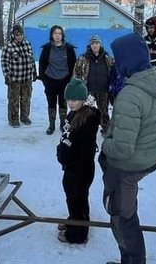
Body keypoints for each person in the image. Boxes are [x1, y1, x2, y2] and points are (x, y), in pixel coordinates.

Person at [100, 33, 156, 264]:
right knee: (127, 211)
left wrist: (104, 144)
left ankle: (133, 261)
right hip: (149, 158)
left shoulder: (131, 95)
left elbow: (121, 148)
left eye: (117, 58)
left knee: (123, 218)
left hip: (127, 167)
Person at [56, 77, 101, 244]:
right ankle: (73, 220)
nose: (70, 102)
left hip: (80, 170)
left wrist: (76, 168)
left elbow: (86, 152)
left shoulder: (87, 120)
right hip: (71, 167)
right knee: (72, 197)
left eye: (74, 100)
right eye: (68, 99)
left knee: (78, 199)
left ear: (83, 99)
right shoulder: (74, 113)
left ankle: (78, 234)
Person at [39, 25, 77, 135]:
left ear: (62, 35)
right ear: (51, 35)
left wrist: (71, 80)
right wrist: (44, 79)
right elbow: (42, 64)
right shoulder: (47, 48)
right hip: (50, 80)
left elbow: (73, 65)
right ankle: (51, 125)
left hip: (64, 80)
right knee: (51, 103)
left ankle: (63, 124)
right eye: (55, 33)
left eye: (59, 33)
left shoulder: (69, 48)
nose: (57, 35)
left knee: (63, 103)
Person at [73, 34, 114, 132]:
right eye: (93, 44)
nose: (95, 45)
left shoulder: (107, 57)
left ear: (100, 44)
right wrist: (78, 87)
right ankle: (86, 129)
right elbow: (76, 73)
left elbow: (113, 71)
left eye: (97, 43)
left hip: (103, 90)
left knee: (103, 111)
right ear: (90, 45)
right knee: (86, 111)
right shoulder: (83, 58)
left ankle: (106, 129)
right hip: (88, 90)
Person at [1, 24, 36, 127]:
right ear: (13, 35)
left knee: (26, 98)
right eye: (17, 35)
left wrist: (34, 71)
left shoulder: (27, 44)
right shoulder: (9, 46)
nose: (19, 36)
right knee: (14, 100)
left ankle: (24, 117)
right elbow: (4, 62)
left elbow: (32, 59)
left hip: (27, 78)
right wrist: (7, 75)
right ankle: (13, 119)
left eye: (20, 34)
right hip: (14, 78)